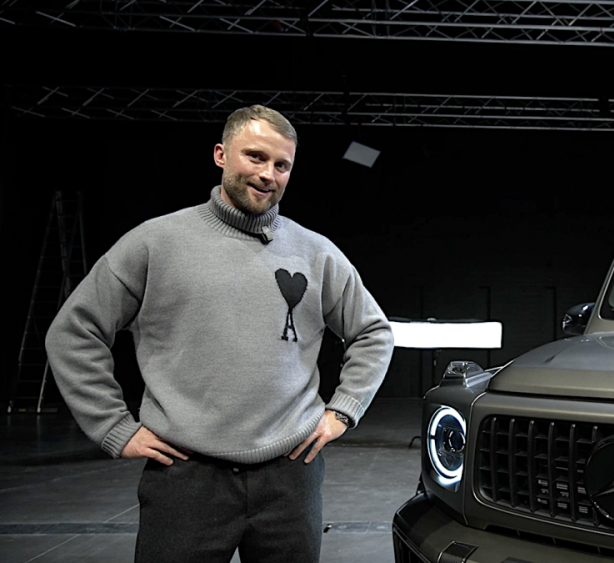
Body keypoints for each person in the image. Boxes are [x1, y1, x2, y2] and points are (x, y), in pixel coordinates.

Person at [44, 105, 394, 563]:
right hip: (185, 479)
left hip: (290, 476)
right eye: (255, 157)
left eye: (282, 165)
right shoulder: (155, 243)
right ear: (220, 155)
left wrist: (343, 411)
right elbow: (74, 331)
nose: (268, 174)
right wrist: (113, 427)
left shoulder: (316, 253)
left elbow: (373, 331)